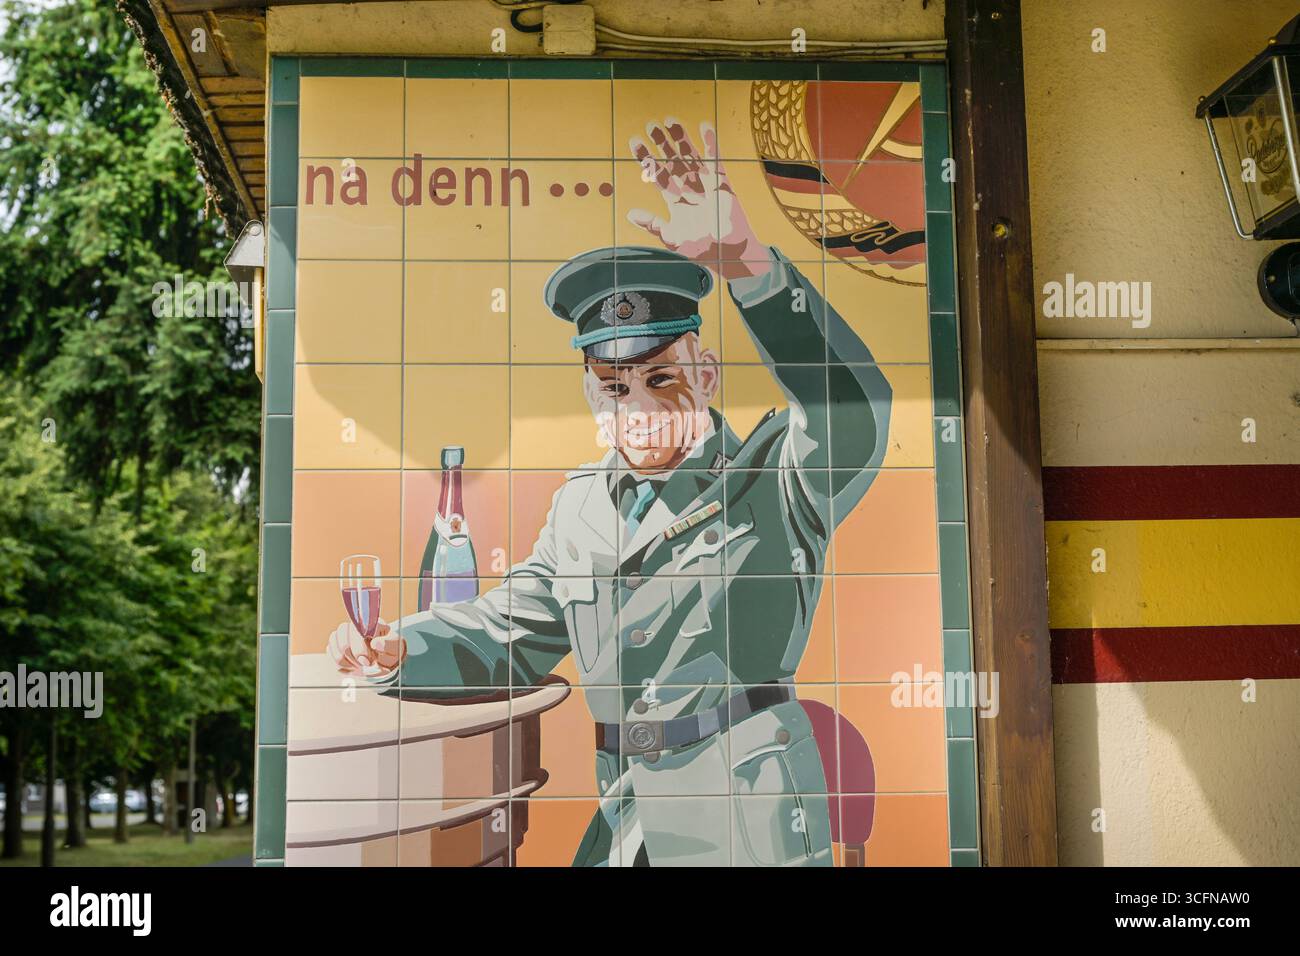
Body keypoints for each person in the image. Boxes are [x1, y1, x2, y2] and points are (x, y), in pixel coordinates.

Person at [328, 118, 893, 866]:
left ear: (707, 374)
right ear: (593, 396)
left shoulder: (775, 475)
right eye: (615, 386)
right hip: (625, 822)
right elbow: (509, 630)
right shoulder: (580, 508)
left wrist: (749, 265)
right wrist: (399, 647)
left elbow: (853, 409)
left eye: (662, 378)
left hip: (748, 819)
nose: (640, 407)